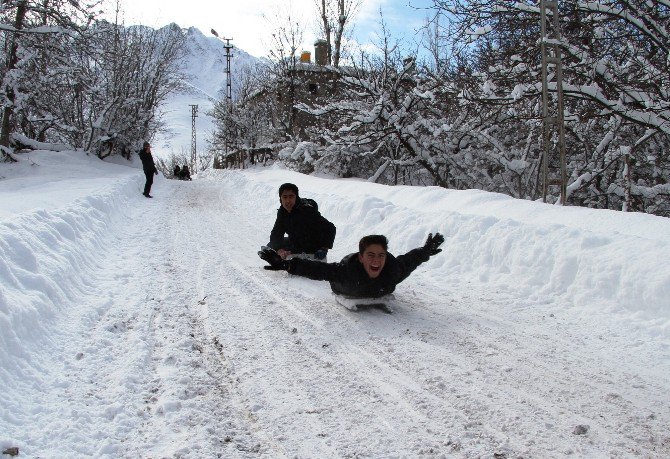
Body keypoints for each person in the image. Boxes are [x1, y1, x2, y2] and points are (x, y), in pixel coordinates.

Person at [258, 232, 444, 298]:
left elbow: (409, 260)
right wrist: (287, 265)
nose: (377, 260)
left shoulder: (392, 270)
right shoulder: (347, 272)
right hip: (346, 288)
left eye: (381, 255)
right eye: (370, 255)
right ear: (362, 257)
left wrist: (425, 251)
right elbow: (318, 269)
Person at [267, 183, 336, 260]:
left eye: (291, 196)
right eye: (285, 197)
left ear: (296, 197)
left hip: (313, 247)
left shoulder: (307, 210)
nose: (288, 201)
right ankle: (281, 263)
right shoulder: (282, 212)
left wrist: (324, 248)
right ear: (280, 198)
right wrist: (279, 250)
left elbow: (330, 228)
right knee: (271, 246)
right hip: (296, 243)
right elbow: (276, 233)